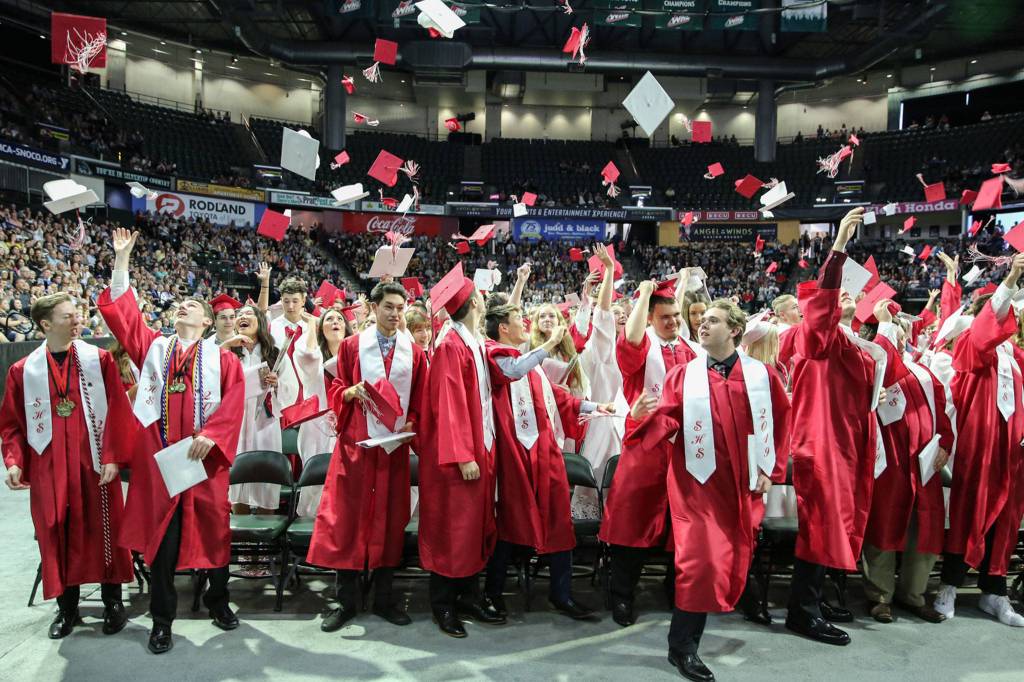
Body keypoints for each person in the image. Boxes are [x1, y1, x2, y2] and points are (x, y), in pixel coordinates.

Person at [97, 228, 245, 654]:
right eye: (183, 303)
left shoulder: (223, 360)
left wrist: (211, 436)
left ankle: (219, 602)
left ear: (205, 321)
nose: (186, 306)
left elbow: (232, 406)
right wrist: (122, 260)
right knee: (162, 546)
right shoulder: (154, 350)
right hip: (161, 465)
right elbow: (124, 316)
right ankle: (162, 622)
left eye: (195, 305)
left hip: (202, 464)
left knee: (214, 536)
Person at [628, 298, 790, 682]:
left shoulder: (761, 375)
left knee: (731, 556)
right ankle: (682, 647)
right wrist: (639, 420)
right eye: (702, 320)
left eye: (713, 321)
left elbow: (781, 423)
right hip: (696, 485)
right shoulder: (684, 375)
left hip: (742, 486)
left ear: (734, 330)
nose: (702, 324)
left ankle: (743, 606)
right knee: (699, 564)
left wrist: (772, 468)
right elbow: (665, 421)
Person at [1, 293, 135, 639]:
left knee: (104, 529)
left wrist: (112, 457)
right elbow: (12, 424)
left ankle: (113, 602)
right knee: (56, 531)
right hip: (49, 467)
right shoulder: (23, 370)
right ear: (46, 324)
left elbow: (119, 411)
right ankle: (66, 608)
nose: (77, 321)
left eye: (78, 315)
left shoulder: (99, 360)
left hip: (93, 464)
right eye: (68, 317)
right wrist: (14, 461)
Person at [785, 207, 886, 646]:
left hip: (846, 440)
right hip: (820, 441)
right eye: (839, 294)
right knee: (821, 524)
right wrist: (840, 245)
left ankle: (817, 598)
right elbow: (822, 306)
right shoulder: (815, 337)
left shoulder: (854, 342)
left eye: (850, 294)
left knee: (836, 521)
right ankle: (801, 611)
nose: (845, 295)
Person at [308, 281, 428, 631]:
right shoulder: (350, 347)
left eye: (399, 308)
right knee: (347, 523)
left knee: (390, 524)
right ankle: (345, 601)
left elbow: (420, 400)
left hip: (392, 452)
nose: (394, 314)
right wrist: (347, 393)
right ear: (374, 309)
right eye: (388, 306)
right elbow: (335, 387)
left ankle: (384, 600)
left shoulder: (415, 354)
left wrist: (412, 420)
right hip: (356, 448)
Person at [482, 300, 613, 621]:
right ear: (503, 327)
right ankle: (493, 595)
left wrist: (595, 406)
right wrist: (551, 344)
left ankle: (562, 594)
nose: (524, 323)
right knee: (509, 526)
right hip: (513, 456)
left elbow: (557, 396)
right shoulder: (492, 355)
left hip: (544, 453)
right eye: (518, 319)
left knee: (559, 524)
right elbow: (512, 371)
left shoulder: (531, 362)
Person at [600, 277, 698, 627]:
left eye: (675, 315)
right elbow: (630, 339)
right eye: (665, 317)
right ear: (651, 319)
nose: (672, 322)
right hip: (646, 447)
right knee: (632, 526)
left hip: (684, 451)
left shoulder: (690, 350)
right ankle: (622, 596)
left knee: (682, 529)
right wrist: (643, 295)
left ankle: (677, 592)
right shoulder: (643, 350)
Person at [934, 254, 1024, 627]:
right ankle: (950, 585)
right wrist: (1012, 277)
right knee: (970, 514)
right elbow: (987, 326)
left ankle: (994, 593)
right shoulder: (971, 349)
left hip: (1013, 452)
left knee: (1006, 520)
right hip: (979, 448)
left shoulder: (1018, 358)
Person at [418, 267, 503, 638]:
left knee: (472, 529)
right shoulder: (451, 345)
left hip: (479, 448)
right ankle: (443, 605)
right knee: (451, 531)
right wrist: (464, 455)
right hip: (457, 458)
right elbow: (448, 403)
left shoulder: (472, 340)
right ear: (473, 303)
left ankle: (468, 596)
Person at [860, 303, 955, 624]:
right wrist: (885, 327)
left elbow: (942, 414)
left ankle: (914, 595)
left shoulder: (924, 372)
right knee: (884, 527)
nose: (901, 342)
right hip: (889, 463)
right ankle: (880, 596)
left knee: (924, 531)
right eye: (895, 336)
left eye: (902, 337)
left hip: (924, 464)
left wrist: (945, 442)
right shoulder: (870, 365)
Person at [222, 304, 282, 578]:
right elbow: (215, 386)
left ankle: (266, 551)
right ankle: (246, 552)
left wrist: (276, 383)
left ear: (260, 320)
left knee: (266, 482)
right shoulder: (224, 351)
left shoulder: (274, 352)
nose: (242, 317)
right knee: (238, 483)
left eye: (248, 314)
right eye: (239, 315)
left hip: (265, 422)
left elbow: (292, 390)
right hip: (236, 422)